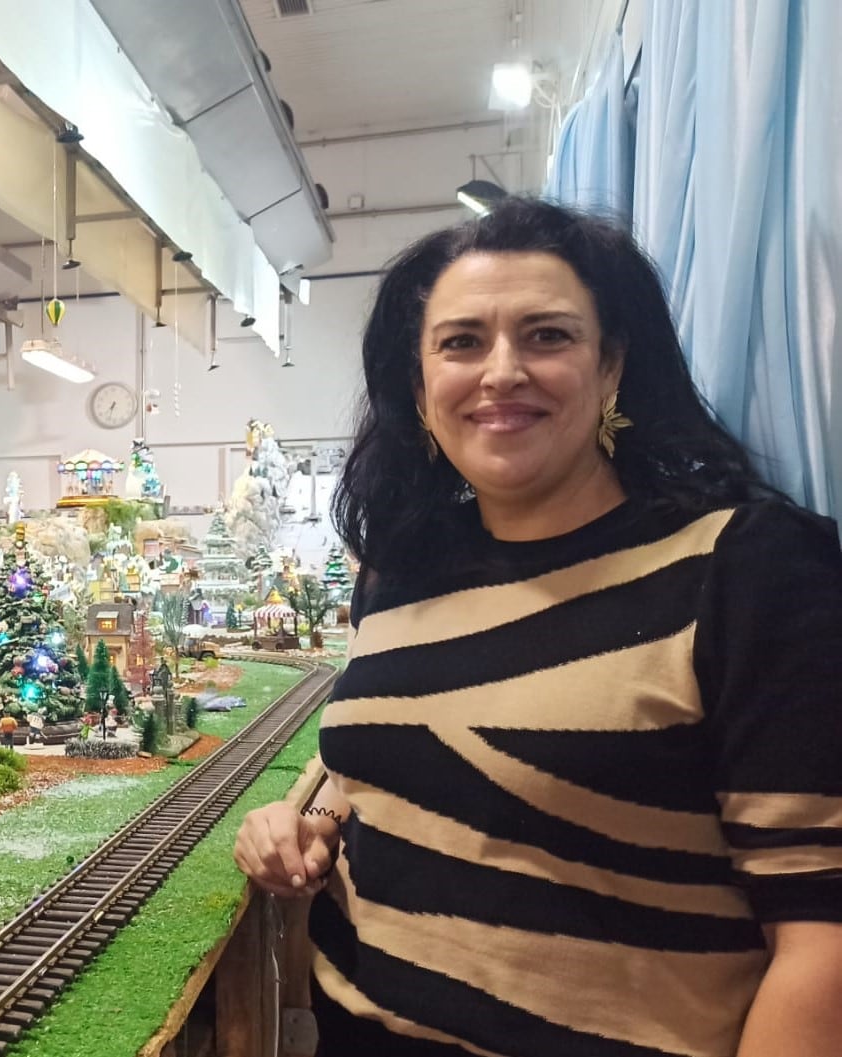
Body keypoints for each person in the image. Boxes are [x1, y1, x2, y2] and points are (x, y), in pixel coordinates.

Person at [233, 197, 842, 1057]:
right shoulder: (401, 572)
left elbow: (822, 942)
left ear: (611, 366)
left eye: (547, 335)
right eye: (461, 342)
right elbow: (389, 754)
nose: (501, 371)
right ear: (418, 385)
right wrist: (313, 821)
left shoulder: (742, 571)